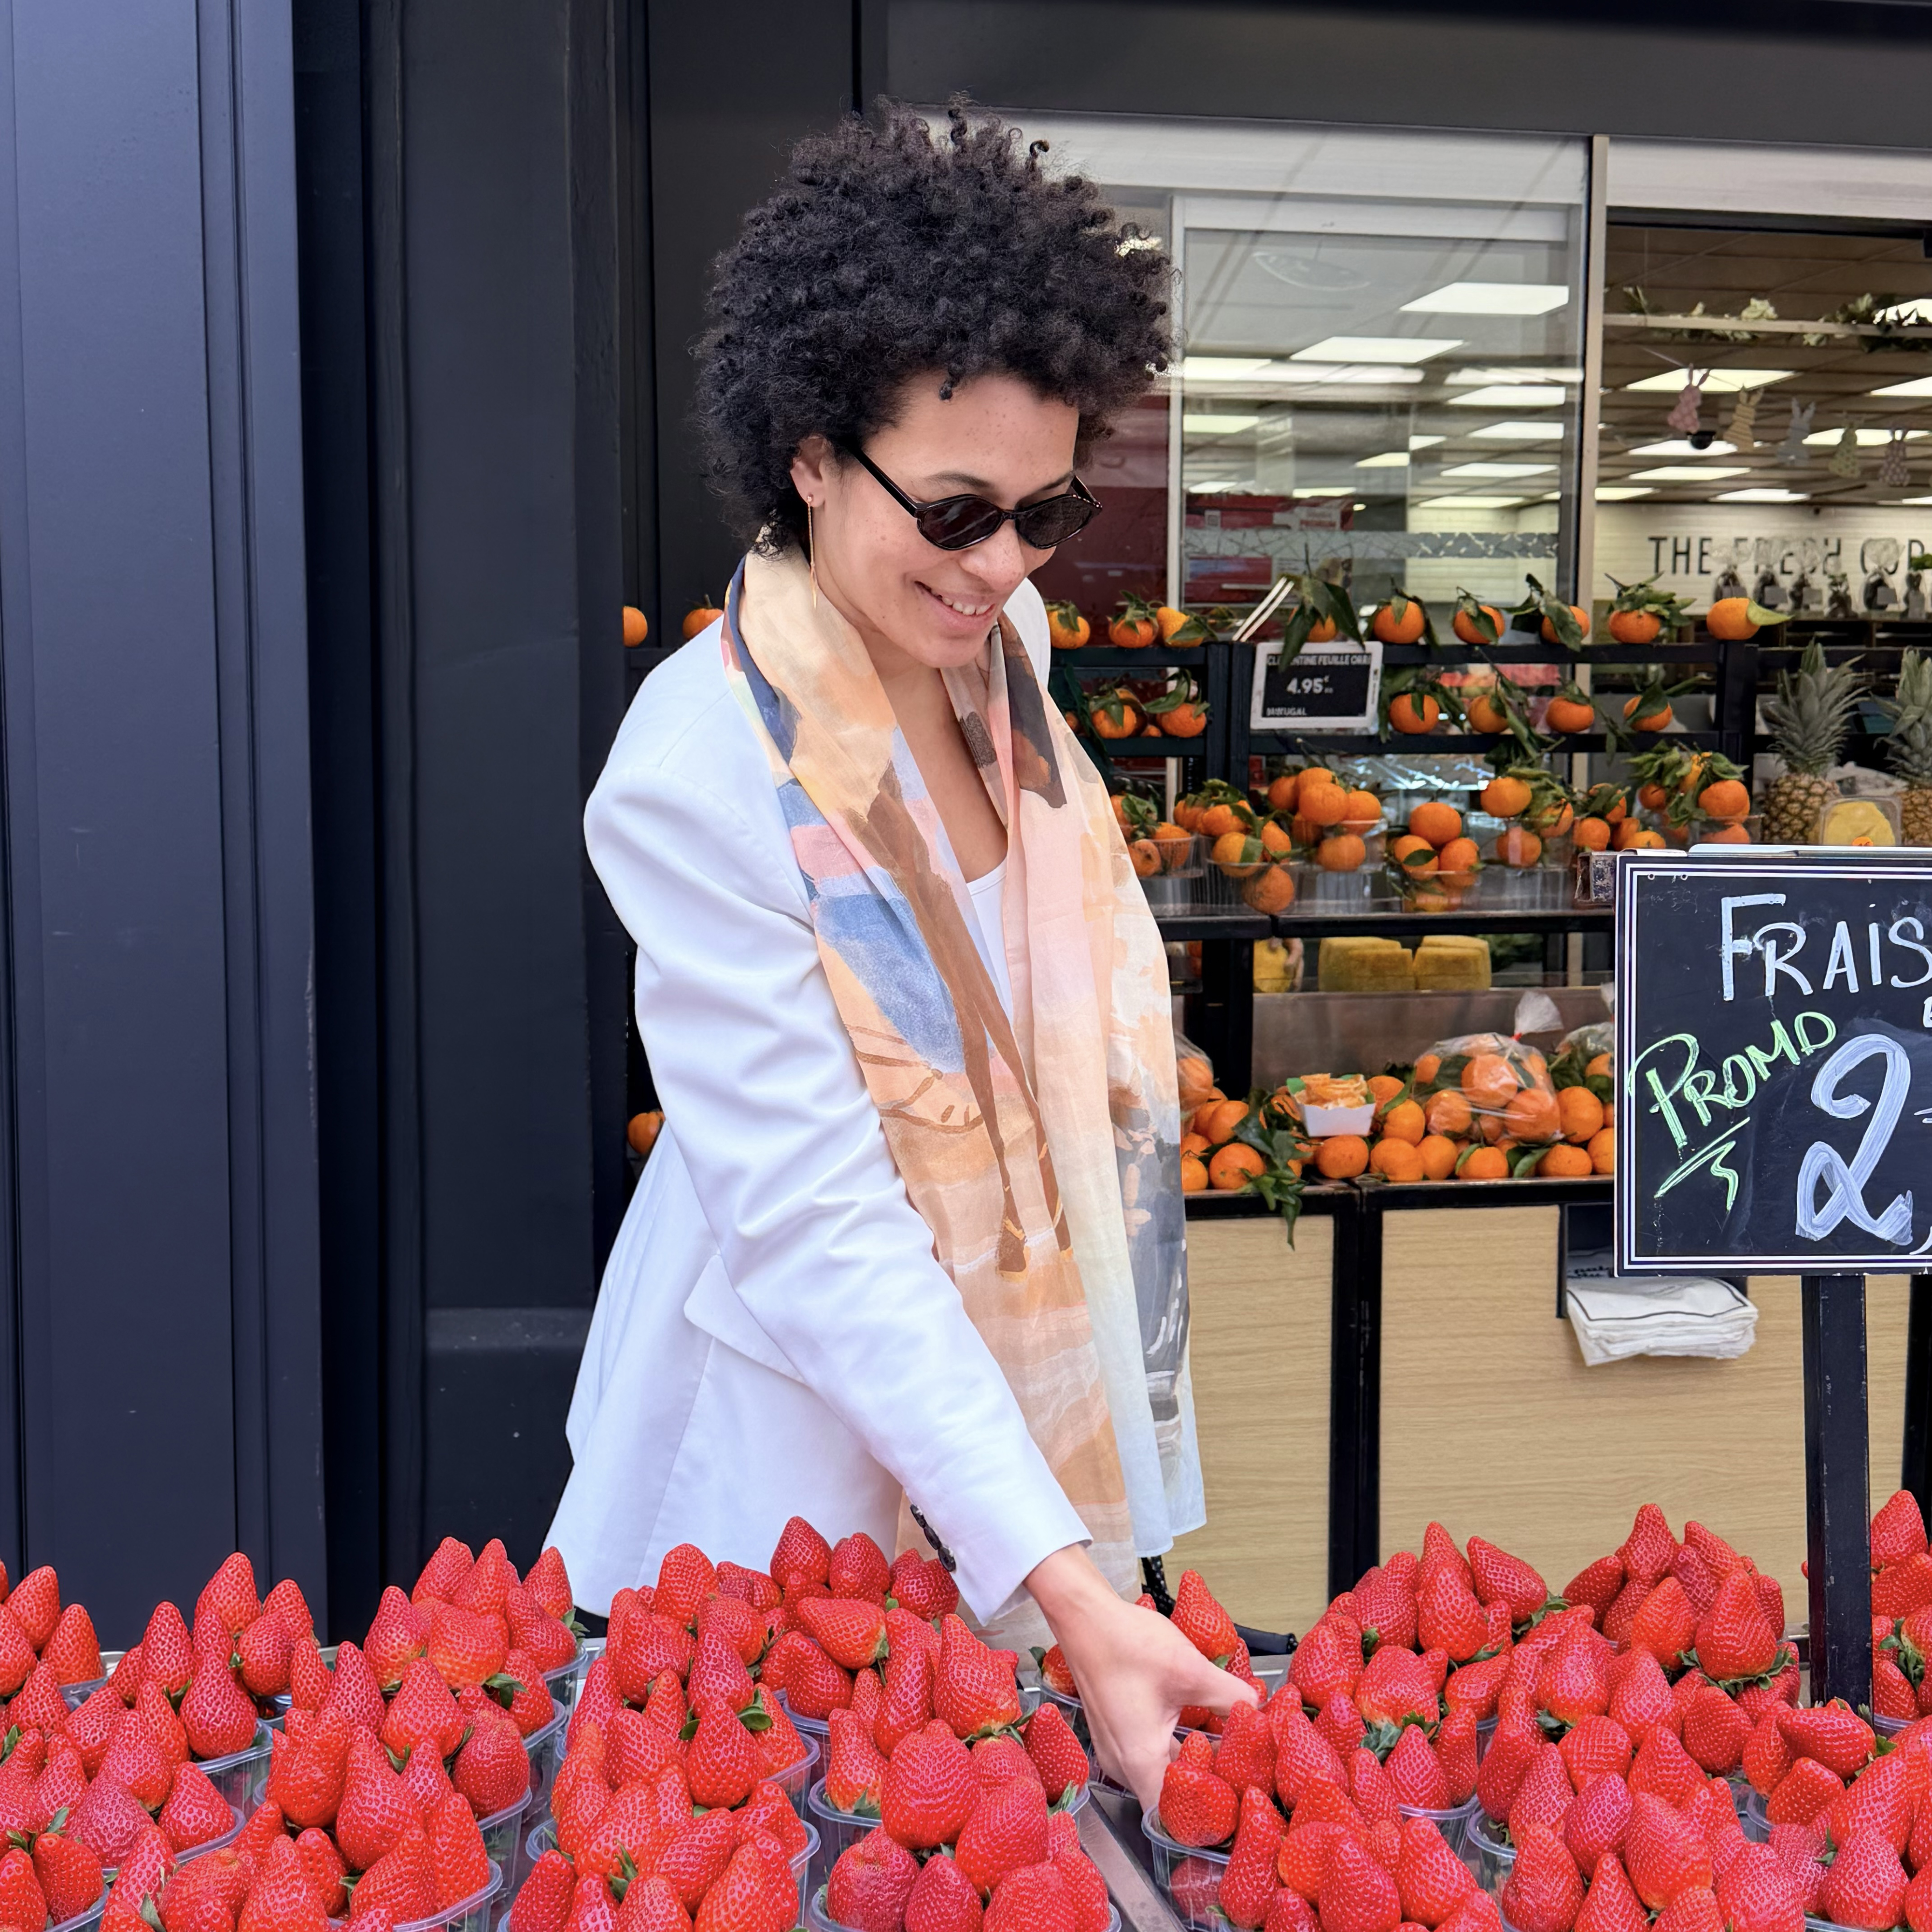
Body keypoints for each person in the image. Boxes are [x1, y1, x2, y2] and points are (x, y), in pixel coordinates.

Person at [547, 102, 1253, 1805]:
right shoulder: (699, 769)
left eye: (1047, 510)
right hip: (786, 1466)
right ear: (807, 450)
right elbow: (818, 1215)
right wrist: (1067, 1583)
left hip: (1001, 1416)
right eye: (953, 510)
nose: (1005, 565)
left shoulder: (998, 650)